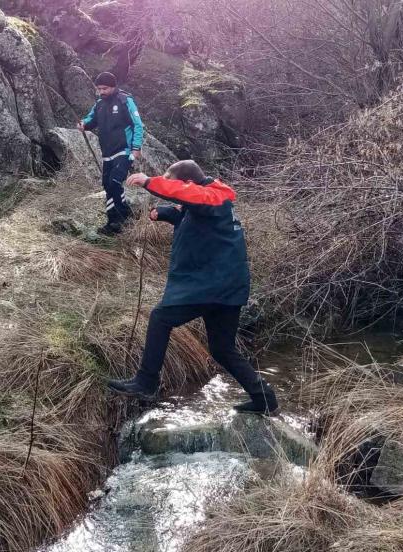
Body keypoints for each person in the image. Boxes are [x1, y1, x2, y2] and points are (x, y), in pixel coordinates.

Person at [107, 160, 280, 415]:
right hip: (226, 287)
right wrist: (164, 213)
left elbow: (191, 198)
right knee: (222, 349)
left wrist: (149, 182)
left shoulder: (213, 197)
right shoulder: (212, 201)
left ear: (188, 183)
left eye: (174, 183)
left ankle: (146, 382)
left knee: (161, 318)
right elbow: (192, 214)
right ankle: (264, 398)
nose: (174, 189)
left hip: (213, 286)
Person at [77, 72, 145, 236]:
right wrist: (83, 124)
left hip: (124, 151)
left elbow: (138, 125)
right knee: (107, 185)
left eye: (105, 88)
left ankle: (123, 218)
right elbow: (91, 120)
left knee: (114, 182)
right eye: (99, 89)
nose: (101, 91)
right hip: (107, 153)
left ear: (113, 86)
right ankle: (111, 221)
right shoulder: (99, 104)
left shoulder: (125, 100)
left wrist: (136, 148)